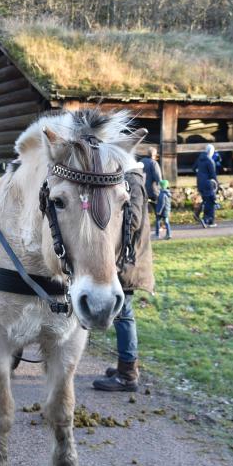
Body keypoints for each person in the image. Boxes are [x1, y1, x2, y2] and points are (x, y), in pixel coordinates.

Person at [93, 166, 156, 393]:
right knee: (123, 314)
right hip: (124, 259)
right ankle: (125, 365)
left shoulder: (133, 181)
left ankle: (127, 375)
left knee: (123, 314)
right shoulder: (128, 178)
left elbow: (132, 221)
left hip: (127, 261)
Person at [194, 143, 218, 228]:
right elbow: (213, 175)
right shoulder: (210, 161)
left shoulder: (200, 159)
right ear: (211, 152)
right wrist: (217, 185)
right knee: (210, 202)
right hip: (208, 184)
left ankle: (197, 214)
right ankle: (208, 220)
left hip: (200, 183)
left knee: (205, 200)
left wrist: (200, 175)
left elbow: (194, 168)